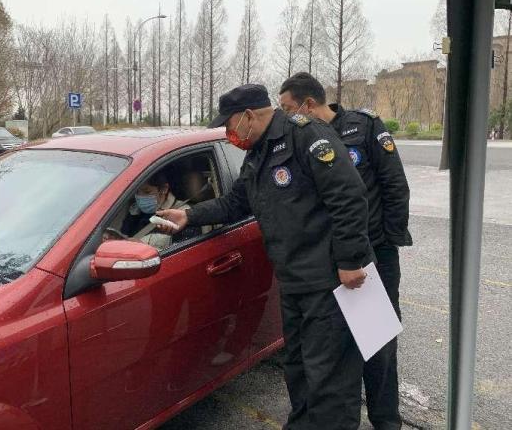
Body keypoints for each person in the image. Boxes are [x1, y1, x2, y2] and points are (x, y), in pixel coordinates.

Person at [157, 83, 373, 430]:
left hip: (328, 280)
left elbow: (349, 197)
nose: (228, 134)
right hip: (293, 280)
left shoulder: (307, 135)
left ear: (247, 116)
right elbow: (235, 203)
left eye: (229, 125)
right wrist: (189, 215)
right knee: (298, 366)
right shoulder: (258, 152)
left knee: (330, 375)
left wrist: (350, 261)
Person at [279, 72, 412, 430]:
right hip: (327, 262)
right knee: (338, 349)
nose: (286, 116)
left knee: (378, 344)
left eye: (288, 108)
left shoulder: (363, 127)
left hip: (369, 258)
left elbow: (395, 186)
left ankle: (386, 421)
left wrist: (384, 244)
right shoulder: (300, 138)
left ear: (308, 105)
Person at [114, 171, 200, 250]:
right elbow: (123, 236)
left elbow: (184, 254)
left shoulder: (183, 214)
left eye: (147, 192)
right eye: (136, 192)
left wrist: (144, 249)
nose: (140, 196)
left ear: (164, 189)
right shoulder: (134, 210)